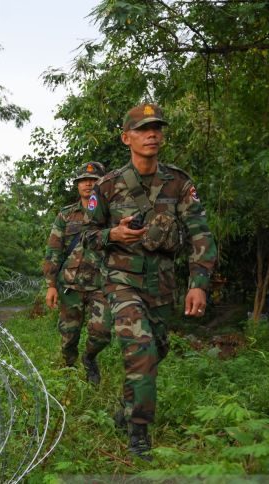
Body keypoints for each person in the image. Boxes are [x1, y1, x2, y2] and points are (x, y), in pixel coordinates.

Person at [82, 103, 217, 460]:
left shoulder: (179, 183)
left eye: (156, 128)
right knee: (140, 350)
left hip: (162, 285)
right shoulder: (108, 186)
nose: (152, 134)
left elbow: (199, 233)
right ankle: (138, 433)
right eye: (143, 129)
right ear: (127, 138)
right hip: (121, 282)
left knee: (156, 349)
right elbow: (86, 236)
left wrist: (199, 282)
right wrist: (113, 233)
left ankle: (125, 410)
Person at [43, 161, 112, 385]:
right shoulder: (66, 216)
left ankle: (89, 358)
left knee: (101, 333)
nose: (89, 184)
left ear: (102, 184)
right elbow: (54, 250)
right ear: (77, 185)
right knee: (68, 335)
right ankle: (68, 371)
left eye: (94, 180)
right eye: (84, 180)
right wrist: (51, 285)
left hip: (101, 284)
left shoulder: (112, 215)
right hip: (70, 286)